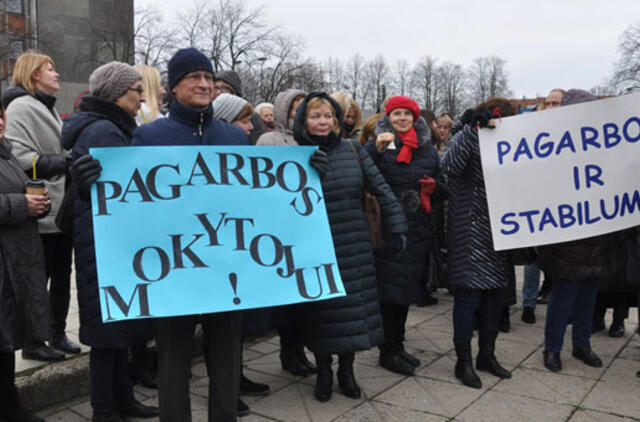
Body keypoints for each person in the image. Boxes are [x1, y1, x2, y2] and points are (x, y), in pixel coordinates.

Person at [134, 48, 247, 422]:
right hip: (173, 263)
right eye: (193, 77)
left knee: (227, 355)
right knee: (173, 356)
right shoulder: (149, 137)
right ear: (174, 86)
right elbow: (130, 203)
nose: (203, 84)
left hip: (225, 261)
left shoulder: (234, 136)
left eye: (208, 77)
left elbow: (256, 197)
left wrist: (308, 171)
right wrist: (92, 181)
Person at [293, 92, 407, 402]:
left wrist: (397, 225)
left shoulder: (353, 149)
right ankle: (324, 370)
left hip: (354, 246)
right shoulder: (292, 155)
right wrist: (306, 170)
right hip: (316, 246)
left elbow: (379, 187)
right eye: (316, 116)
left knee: (353, 311)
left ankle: (347, 370)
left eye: (328, 116)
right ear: (303, 120)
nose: (323, 122)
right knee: (322, 314)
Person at [63, 62, 159, 422]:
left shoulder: (108, 126)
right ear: (117, 93)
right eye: (137, 90)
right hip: (106, 246)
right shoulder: (105, 130)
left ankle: (123, 400)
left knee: (118, 329)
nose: (142, 97)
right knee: (107, 335)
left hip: (105, 244)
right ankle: (105, 409)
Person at [538, 89, 626, 373]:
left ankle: (582, 345)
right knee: (563, 298)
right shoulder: (554, 144)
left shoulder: (605, 146)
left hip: (599, 240)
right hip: (568, 242)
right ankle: (552, 348)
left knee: (589, 298)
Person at [2, 50, 78, 361]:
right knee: (40, 277)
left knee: (61, 273)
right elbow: (20, 160)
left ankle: (56, 333)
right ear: (34, 74)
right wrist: (64, 162)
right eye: (51, 68)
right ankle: (36, 341)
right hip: (40, 206)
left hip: (57, 206)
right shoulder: (21, 107)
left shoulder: (44, 106)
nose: (56, 74)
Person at [363, 95, 445, 375]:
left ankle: (397, 346)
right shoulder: (379, 143)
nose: (401, 118)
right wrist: (375, 149)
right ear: (388, 117)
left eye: (406, 114)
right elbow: (361, 172)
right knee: (390, 293)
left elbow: (443, 187)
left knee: (406, 290)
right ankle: (388, 351)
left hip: (418, 228)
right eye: (396, 113)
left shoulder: (427, 149)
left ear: (414, 117)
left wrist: (434, 187)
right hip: (387, 229)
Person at [441, 98, 516, 389]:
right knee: (469, 297)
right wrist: (473, 130)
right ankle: (464, 361)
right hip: (469, 229)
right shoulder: (467, 135)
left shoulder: (507, 141)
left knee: (495, 298)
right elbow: (448, 166)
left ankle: (487, 354)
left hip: (500, 230)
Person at [254, 89, 318, 379]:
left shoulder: (311, 138)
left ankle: (299, 350)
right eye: (294, 108)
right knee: (287, 299)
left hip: (306, 225)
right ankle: (288, 352)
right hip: (280, 226)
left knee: (305, 300)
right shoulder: (269, 140)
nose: (298, 113)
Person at [0, 105, 47, 422]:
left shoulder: (6, 153)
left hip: (13, 259)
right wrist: (20, 204)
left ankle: (9, 405)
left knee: (5, 340)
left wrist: (39, 203)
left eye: (0, 115)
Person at [214, 70, 266, 144]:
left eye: (224, 88)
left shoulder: (253, 118)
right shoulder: (204, 115)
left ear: (235, 91)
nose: (219, 92)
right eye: (215, 87)